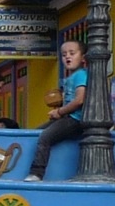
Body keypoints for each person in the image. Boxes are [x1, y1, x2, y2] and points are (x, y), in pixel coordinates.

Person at [25, 39, 87, 182]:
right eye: (64, 54)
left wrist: (59, 112)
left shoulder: (81, 75)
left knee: (45, 137)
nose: (67, 57)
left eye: (72, 53)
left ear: (83, 58)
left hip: (76, 119)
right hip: (66, 117)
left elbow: (79, 100)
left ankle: (37, 173)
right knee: (35, 133)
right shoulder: (70, 77)